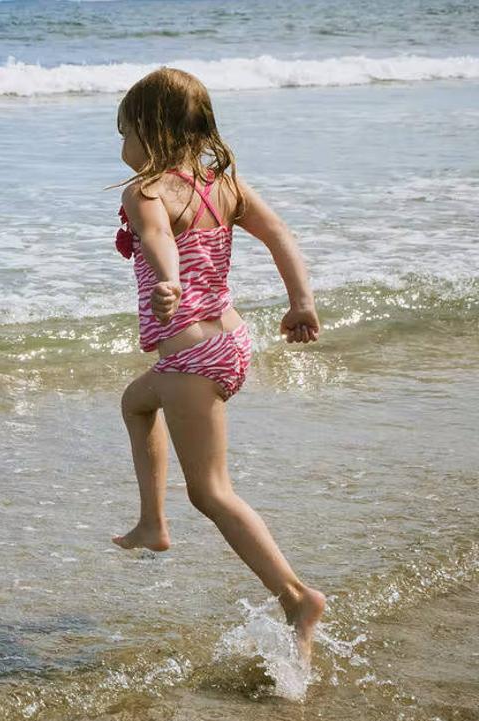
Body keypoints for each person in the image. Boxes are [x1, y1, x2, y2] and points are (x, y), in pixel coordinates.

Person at [110, 67, 327, 662]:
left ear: (150, 130)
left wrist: (169, 279)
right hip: (230, 342)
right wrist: (301, 302)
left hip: (191, 357)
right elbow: (279, 233)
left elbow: (157, 235)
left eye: (124, 132)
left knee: (211, 492)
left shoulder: (146, 191)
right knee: (135, 402)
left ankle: (296, 597)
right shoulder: (223, 185)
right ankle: (152, 524)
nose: (121, 144)